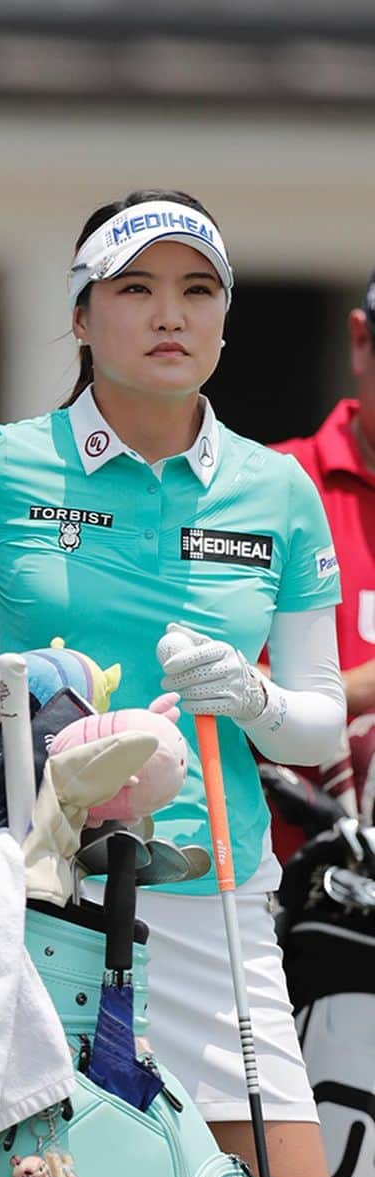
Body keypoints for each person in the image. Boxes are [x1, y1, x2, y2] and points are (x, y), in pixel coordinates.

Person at [0, 190, 351, 1177]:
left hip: (212, 914)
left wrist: (257, 694)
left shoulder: (275, 490)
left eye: (196, 290)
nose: (168, 315)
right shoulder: (5, 465)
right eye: (134, 289)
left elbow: (320, 722)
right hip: (35, 907)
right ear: (81, 316)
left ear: (226, 318)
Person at [268, 277, 375, 839]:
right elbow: (186, 676)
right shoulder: (267, 488)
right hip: (293, 901)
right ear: (361, 341)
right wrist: (350, 691)